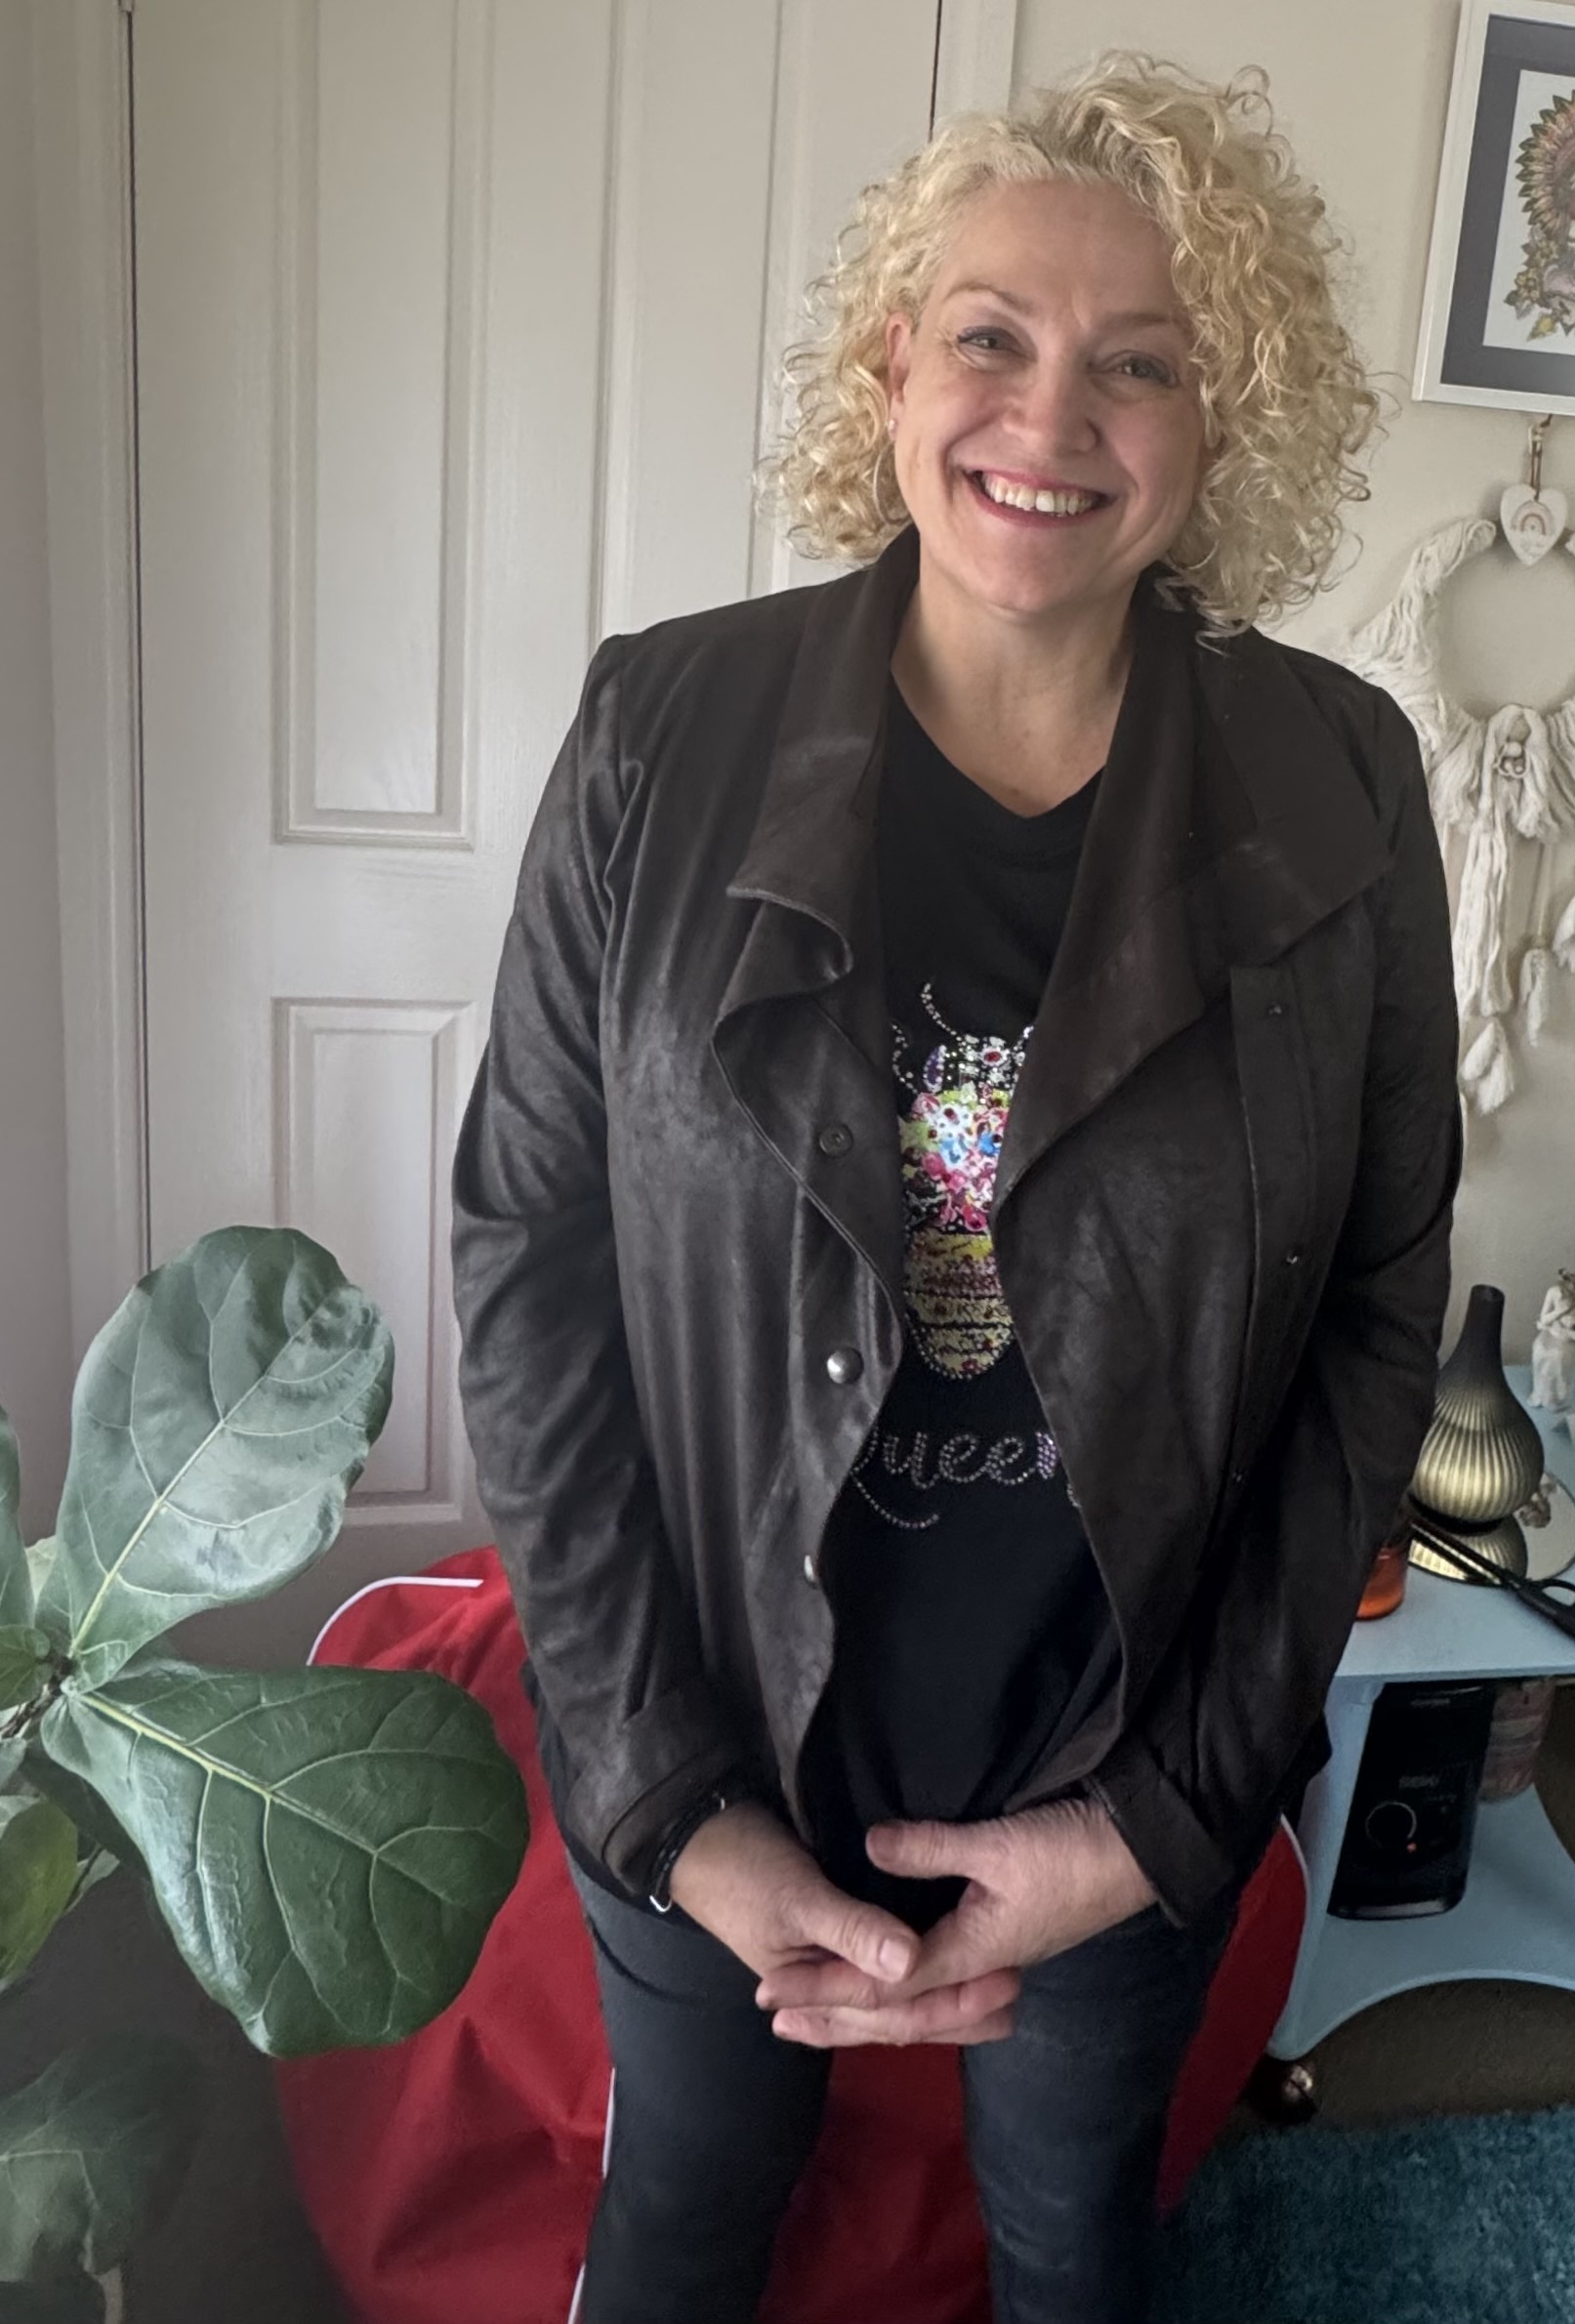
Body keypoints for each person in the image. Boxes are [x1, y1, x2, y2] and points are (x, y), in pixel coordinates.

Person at [451, 51, 1461, 2324]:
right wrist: (665, 1789)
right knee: (684, 2207)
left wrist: (1162, 1813)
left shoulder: (1343, 780)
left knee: (1078, 2235)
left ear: (1218, 424)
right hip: (716, 1720)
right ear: (893, 366)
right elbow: (527, 1251)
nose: (1052, 415)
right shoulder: (659, 733)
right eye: (992, 334)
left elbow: (1380, 1306)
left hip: (1113, 1748)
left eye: (1142, 362)